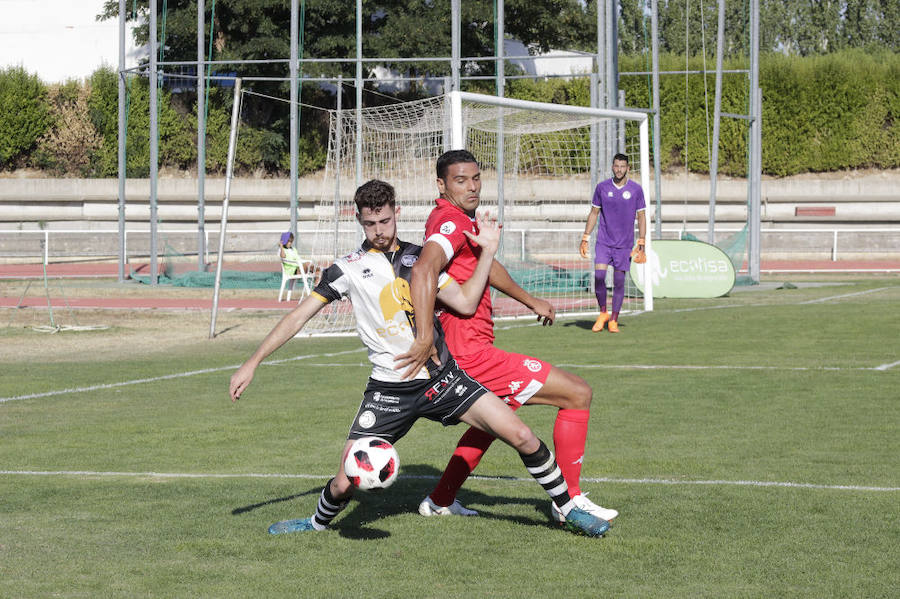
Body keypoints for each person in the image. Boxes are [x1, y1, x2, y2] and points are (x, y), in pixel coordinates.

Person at [229, 179, 610, 538]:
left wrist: (488, 252)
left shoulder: (419, 260)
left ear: (396, 212)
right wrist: (253, 361)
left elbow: (464, 301)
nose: (378, 229)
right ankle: (314, 523)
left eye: (385, 220)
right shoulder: (345, 269)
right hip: (389, 391)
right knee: (346, 479)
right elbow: (298, 315)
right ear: (358, 220)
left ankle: (568, 508)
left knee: (522, 434)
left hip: (442, 379)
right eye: (370, 223)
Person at [396, 150, 618, 526]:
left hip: (469, 347)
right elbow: (423, 268)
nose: (472, 187)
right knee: (577, 393)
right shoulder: (448, 222)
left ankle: (440, 499)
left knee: (495, 420)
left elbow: (487, 266)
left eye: (476, 178)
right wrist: (422, 335)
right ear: (441, 185)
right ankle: (570, 500)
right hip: (470, 352)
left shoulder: (458, 220)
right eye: (460, 180)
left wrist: (530, 300)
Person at [579, 153, 647, 333]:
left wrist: (642, 241)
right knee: (599, 276)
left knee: (619, 281)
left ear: (628, 168)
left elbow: (641, 216)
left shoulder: (636, 190)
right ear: (612, 167)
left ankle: (614, 319)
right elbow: (594, 213)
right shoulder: (602, 187)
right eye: (616, 166)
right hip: (603, 241)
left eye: (622, 166)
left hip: (624, 245)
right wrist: (586, 236)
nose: (619, 169)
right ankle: (603, 312)